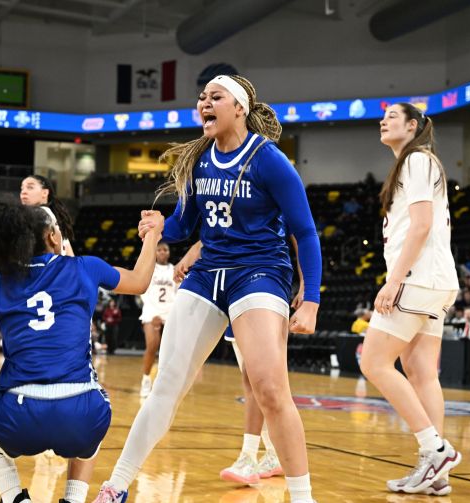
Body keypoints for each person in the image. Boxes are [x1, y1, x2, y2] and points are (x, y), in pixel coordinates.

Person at [92, 74, 322, 503]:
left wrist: (310, 300)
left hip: (259, 272)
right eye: (201, 98)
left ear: (239, 108)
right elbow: (186, 222)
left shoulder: (269, 159)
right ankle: (117, 485)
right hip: (208, 273)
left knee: (270, 389)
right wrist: (161, 227)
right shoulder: (200, 160)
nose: (204, 103)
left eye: (215, 97)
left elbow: (305, 233)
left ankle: (303, 496)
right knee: (167, 386)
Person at [0, 200, 165, 503]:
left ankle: (13, 495)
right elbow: (140, 281)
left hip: (17, 421)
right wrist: (152, 235)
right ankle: (74, 498)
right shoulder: (85, 267)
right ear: (53, 237)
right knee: (91, 388)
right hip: (81, 420)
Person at [359, 103, 462, 496]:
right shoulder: (415, 163)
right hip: (435, 281)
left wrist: (393, 281)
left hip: (417, 279)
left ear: (413, 125)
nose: (383, 122)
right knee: (420, 372)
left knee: (374, 362)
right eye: (381, 119)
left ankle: (435, 449)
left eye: (392, 118)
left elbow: (421, 226)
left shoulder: (417, 160)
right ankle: (437, 473)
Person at [173, 234, 305, 485]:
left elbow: (302, 236)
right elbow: (219, 229)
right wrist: (192, 253)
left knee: (259, 382)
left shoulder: (275, 198)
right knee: (254, 383)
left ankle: (249, 456)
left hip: (262, 287)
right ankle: (272, 453)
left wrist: (308, 288)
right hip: (234, 288)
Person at [137, 241, 176, 397]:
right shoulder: (149, 268)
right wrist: (154, 314)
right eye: (159, 250)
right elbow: (142, 290)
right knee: (152, 345)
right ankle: (146, 379)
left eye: (165, 249)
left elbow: (179, 292)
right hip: (152, 311)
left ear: (168, 252)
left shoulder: (174, 270)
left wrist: (173, 313)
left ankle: (164, 383)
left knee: (171, 351)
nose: (162, 252)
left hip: (170, 312)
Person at [20, 174, 76, 256]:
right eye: (22, 188)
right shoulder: (54, 217)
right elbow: (70, 255)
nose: (23, 192)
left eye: (30, 187)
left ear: (45, 193)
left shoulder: (40, 214)